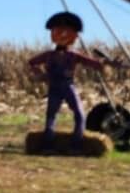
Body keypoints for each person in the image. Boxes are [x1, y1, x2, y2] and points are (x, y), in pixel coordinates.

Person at [29, 11, 121, 147]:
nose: (62, 35)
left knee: (79, 113)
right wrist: (40, 74)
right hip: (55, 87)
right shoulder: (49, 55)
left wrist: (108, 64)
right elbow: (32, 62)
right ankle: (48, 141)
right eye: (58, 31)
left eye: (67, 32)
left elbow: (92, 62)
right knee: (51, 115)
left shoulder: (73, 55)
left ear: (75, 35)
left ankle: (77, 141)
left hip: (67, 86)